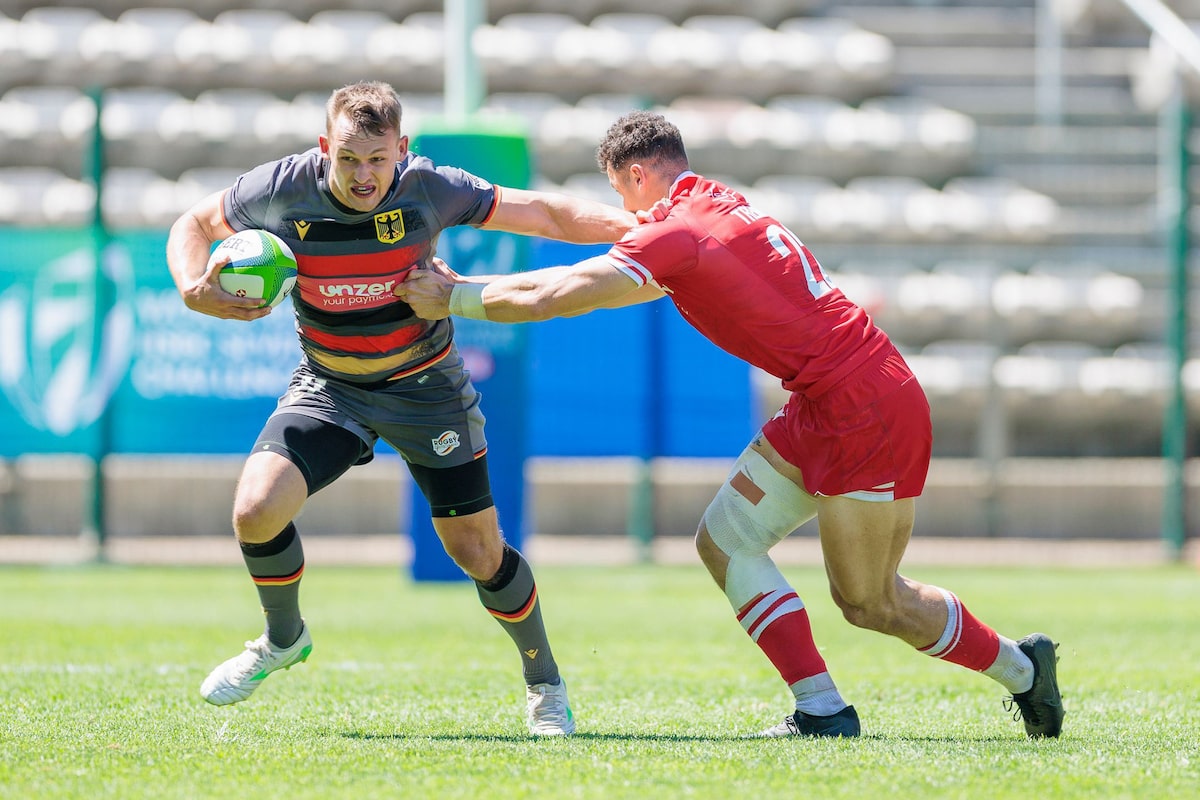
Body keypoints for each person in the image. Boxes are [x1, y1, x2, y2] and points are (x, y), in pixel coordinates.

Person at [397, 110, 1065, 739]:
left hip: (866, 409)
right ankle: (821, 710)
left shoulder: (678, 232)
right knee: (724, 541)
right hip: (824, 402)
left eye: (621, 193)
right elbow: (593, 252)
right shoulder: (711, 205)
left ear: (635, 176)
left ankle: (1024, 669)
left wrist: (452, 299)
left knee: (869, 602)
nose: (627, 211)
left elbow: (558, 294)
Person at [165, 81, 636, 736]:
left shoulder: (431, 189)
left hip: (426, 389)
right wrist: (193, 289)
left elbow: (548, 216)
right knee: (254, 509)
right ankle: (283, 639)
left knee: (477, 552)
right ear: (325, 146)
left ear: (402, 150)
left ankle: (544, 683)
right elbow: (192, 223)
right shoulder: (280, 188)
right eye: (350, 159)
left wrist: (648, 231)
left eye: (378, 160)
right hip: (332, 386)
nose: (364, 175)